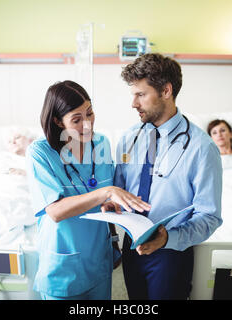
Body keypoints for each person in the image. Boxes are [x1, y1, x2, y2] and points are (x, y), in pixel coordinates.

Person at [25, 80, 151, 300]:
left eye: (90, 113)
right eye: (76, 119)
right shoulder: (40, 152)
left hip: (98, 259)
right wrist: (106, 193)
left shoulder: (101, 143)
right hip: (63, 264)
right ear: (57, 121)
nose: (87, 124)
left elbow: (100, 198)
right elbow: (55, 211)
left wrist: (110, 209)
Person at [114, 53, 223, 300]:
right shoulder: (129, 139)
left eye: (140, 95)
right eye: (133, 95)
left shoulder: (201, 148)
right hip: (132, 248)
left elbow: (210, 216)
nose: (133, 103)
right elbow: (117, 192)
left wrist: (168, 239)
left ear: (166, 91)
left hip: (172, 253)